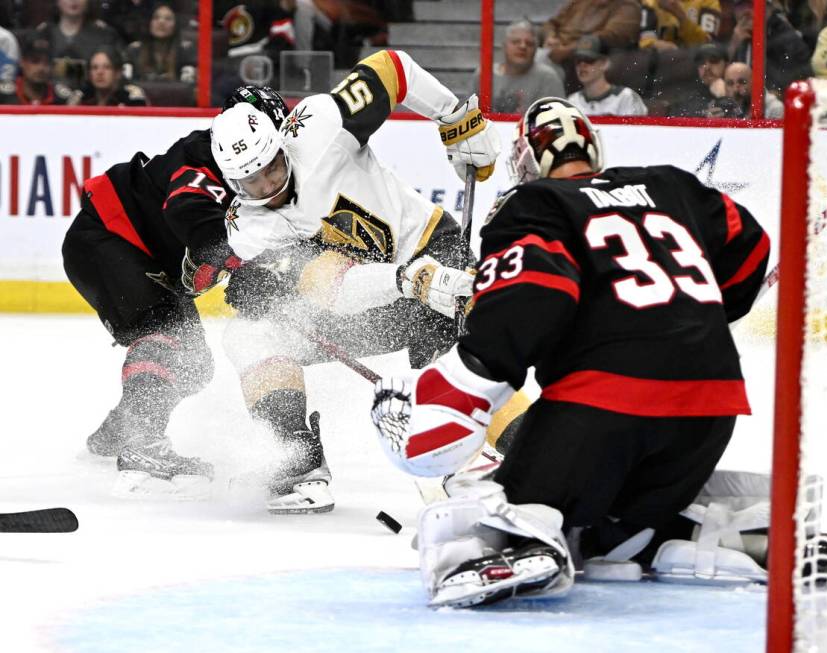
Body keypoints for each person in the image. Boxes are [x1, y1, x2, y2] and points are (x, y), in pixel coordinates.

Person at [371, 97, 770, 607]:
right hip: (710, 407)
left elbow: (532, 296)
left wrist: (464, 384)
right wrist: (695, 316)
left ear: (527, 158)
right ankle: (668, 532)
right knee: (611, 530)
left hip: (606, 406)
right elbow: (750, 245)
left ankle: (524, 541)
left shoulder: (537, 203)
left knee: (516, 510)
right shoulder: (672, 184)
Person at [209, 49, 509, 515]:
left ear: (281, 146)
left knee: (461, 368)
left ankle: (531, 448)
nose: (268, 185)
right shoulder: (249, 227)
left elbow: (392, 67)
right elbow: (329, 287)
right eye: (252, 182)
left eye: (272, 166)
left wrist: (455, 117)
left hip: (433, 250)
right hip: (375, 294)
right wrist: (407, 281)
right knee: (250, 334)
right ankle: (297, 465)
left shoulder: (319, 127)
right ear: (233, 184)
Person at [61, 86, 289, 499]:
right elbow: (189, 209)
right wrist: (238, 269)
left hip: (147, 261)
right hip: (108, 239)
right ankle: (141, 445)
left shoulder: (250, 170)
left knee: (194, 365)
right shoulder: (205, 157)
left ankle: (122, 428)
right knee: (164, 338)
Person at [470, 20, 564, 114]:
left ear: (536, 49)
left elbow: (557, 119)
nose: (523, 46)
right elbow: (469, 116)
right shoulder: (483, 74)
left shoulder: (548, 78)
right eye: (516, 42)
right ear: (504, 46)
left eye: (529, 43)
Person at [35, 0, 122, 89]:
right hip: (48, 98)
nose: (74, 1)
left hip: (90, 98)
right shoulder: (44, 33)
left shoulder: (104, 35)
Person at [566, 35, 647, 116]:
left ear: (605, 63)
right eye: (578, 60)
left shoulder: (626, 97)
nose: (582, 65)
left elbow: (638, 128)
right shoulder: (572, 101)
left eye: (589, 60)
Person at [124, 1, 196, 83]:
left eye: (168, 19)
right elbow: (127, 83)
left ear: (175, 25)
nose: (161, 22)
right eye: (156, 18)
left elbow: (187, 86)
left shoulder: (185, 51)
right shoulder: (134, 50)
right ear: (149, 23)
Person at [0, 32, 73, 105]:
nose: (41, 68)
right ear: (22, 62)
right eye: (35, 61)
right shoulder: (4, 95)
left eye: (47, 63)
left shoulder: (63, 99)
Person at [69, 46, 148, 105]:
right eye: (94, 68)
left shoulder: (132, 98)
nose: (99, 72)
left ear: (118, 72)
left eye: (107, 67)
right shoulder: (82, 96)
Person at [667, 42, 726, 116]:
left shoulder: (736, 89)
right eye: (701, 62)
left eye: (713, 60)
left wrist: (725, 97)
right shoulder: (686, 98)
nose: (706, 67)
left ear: (726, 64)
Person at [639, 0, 721, 50]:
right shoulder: (649, 3)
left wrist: (681, 16)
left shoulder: (709, 2)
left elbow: (707, 45)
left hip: (695, 65)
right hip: (658, 64)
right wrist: (655, 44)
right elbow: (642, 42)